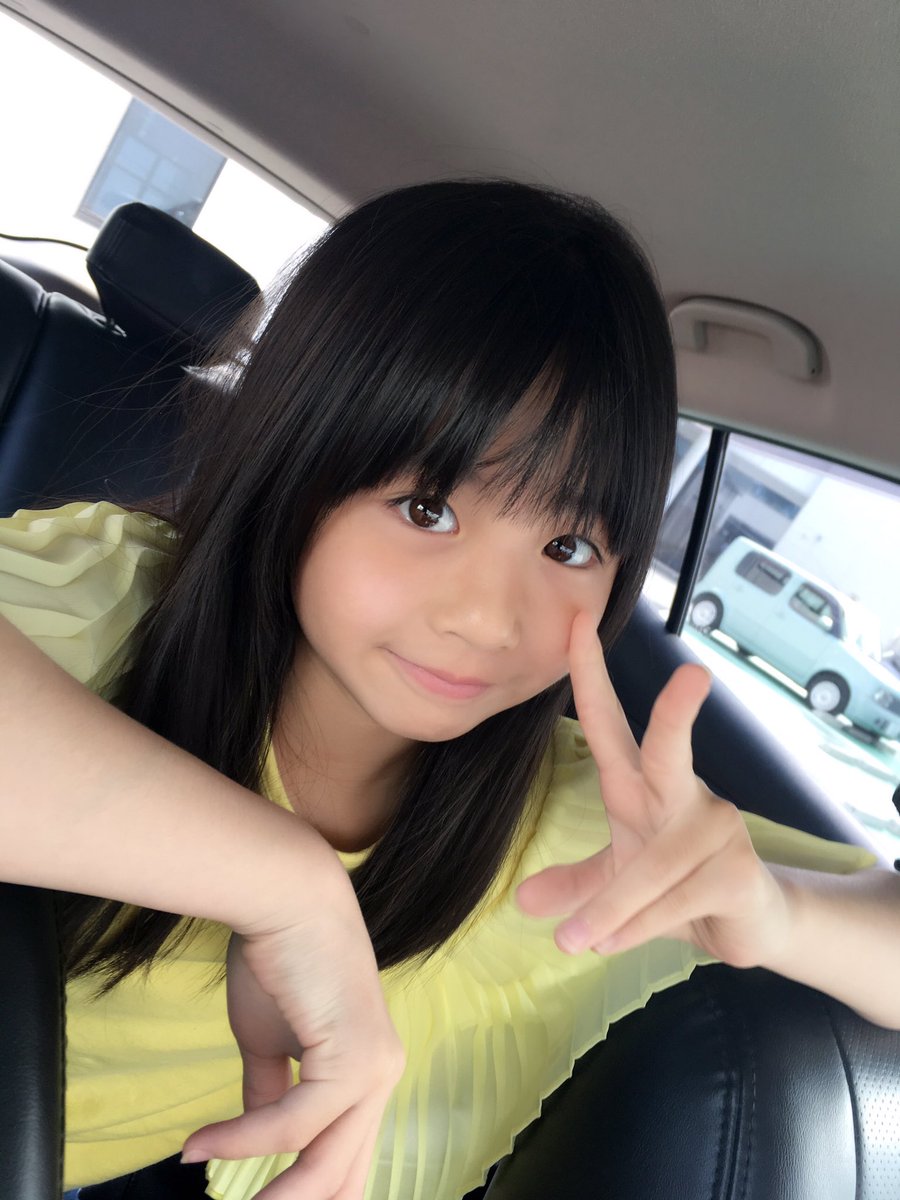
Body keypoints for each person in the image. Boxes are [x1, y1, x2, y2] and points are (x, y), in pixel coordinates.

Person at [0, 179, 897, 1200]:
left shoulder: (571, 836)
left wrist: (779, 914)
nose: (489, 618)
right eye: (427, 508)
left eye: (568, 545)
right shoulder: (103, 604)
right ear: (297, 458)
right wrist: (285, 885)